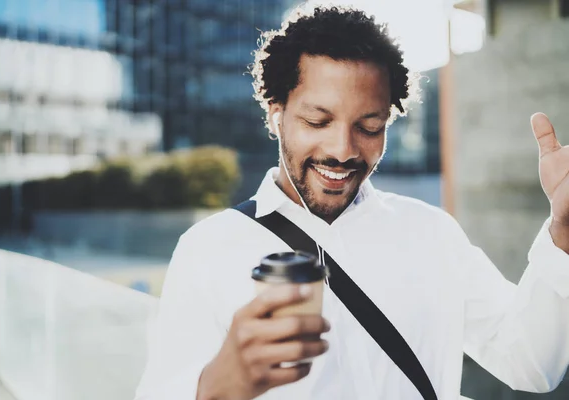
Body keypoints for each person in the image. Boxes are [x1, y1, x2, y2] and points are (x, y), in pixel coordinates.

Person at [134, 5, 569, 400]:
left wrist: (563, 229)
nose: (343, 149)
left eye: (369, 125)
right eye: (317, 120)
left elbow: (531, 364)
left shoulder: (431, 232)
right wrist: (215, 386)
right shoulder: (207, 248)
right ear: (275, 112)